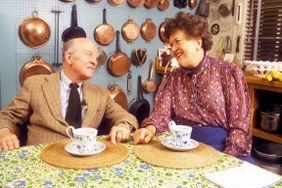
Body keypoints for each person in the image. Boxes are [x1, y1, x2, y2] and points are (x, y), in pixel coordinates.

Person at [133, 12, 252, 162]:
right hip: (183, 149)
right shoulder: (173, 77)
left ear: (198, 42)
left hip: (223, 150)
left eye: (177, 41)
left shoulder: (228, 72)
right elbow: (160, 115)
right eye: (170, 45)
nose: (172, 49)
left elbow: (240, 126)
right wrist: (149, 129)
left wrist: (227, 159)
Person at [0, 37, 138, 151]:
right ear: (69, 57)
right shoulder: (35, 84)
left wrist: (123, 126)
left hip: (86, 161)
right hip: (42, 161)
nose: (95, 62)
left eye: (96, 57)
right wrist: (4, 132)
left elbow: (125, 116)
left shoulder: (100, 93)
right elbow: (7, 115)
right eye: (89, 54)